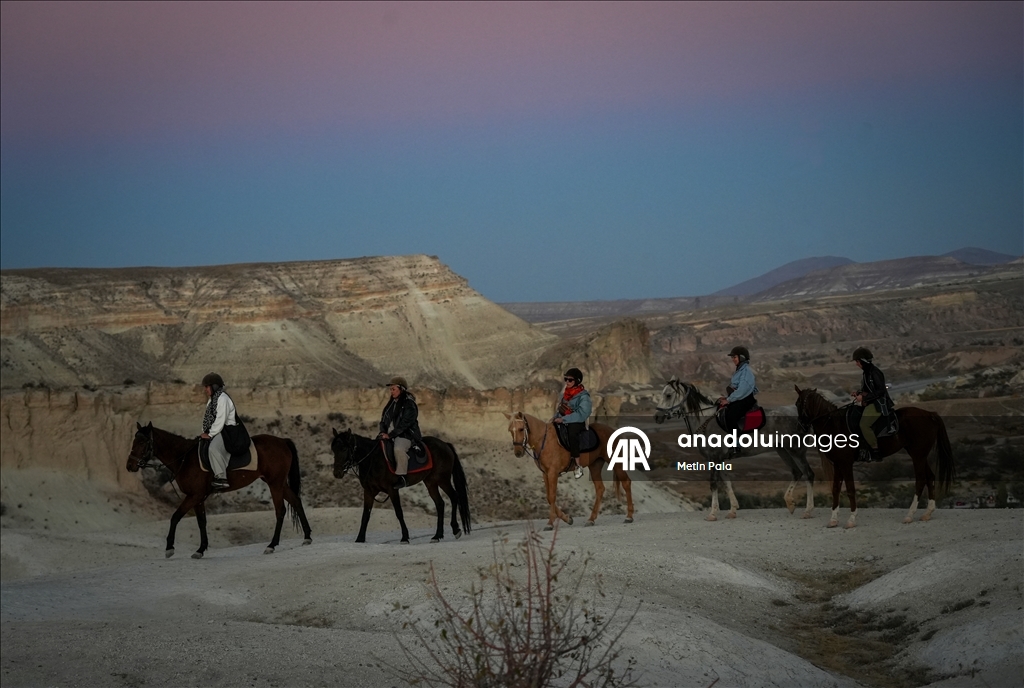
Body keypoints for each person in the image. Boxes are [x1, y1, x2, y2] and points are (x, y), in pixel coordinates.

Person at [851, 347, 893, 462]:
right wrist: (858, 393)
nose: (856, 364)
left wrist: (863, 397)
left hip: (879, 403)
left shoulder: (875, 373)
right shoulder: (866, 373)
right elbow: (868, 390)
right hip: (871, 401)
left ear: (862, 361)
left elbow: (880, 391)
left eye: (857, 362)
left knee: (864, 424)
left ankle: (875, 450)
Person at [379, 376, 422, 489]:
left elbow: (405, 424)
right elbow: (384, 420)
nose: (391, 391)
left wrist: (390, 435)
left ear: (401, 389)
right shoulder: (392, 403)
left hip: (408, 435)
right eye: (391, 389)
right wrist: (383, 432)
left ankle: (402, 477)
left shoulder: (409, 404)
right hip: (395, 434)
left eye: (393, 389)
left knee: (399, 448)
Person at [200, 372, 239, 491]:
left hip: (228, 431)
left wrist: (210, 434)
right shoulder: (212, 400)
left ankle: (222, 478)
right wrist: (204, 432)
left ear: (214, 386)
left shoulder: (223, 399)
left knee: (213, 448)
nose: (205, 389)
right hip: (219, 430)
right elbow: (207, 419)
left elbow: (220, 420)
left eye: (207, 386)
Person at [552, 367, 591, 479]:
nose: (567, 382)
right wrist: (555, 418)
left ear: (577, 381)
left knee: (572, 434)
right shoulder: (566, 394)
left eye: (570, 380)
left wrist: (564, 419)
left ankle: (578, 465)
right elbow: (561, 409)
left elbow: (583, 413)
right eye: (566, 379)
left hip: (577, 421)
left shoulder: (584, 396)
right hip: (564, 419)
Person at [717, 346, 759, 434]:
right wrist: (726, 398)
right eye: (732, 357)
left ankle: (737, 443)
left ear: (742, 357)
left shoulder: (746, 371)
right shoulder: (740, 371)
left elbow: (742, 391)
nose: (733, 359)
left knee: (730, 416)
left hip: (745, 400)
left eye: (734, 357)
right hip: (740, 399)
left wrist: (728, 400)